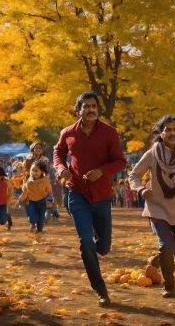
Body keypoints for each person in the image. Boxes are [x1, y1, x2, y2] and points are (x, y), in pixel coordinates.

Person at [54, 91, 127, 306]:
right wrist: (61, 169)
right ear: (79, 110)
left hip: (102, 196)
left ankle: (91, 253)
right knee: (85, 240)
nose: (91, 109)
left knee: (103, 247)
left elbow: (120, 161)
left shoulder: (109, 133)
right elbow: (58, 153)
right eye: (86, 106)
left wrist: (102, 171)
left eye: (94, 105)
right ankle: (100, 288)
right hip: (77, 193)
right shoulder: (68, 133)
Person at [128, 115, 175, 298]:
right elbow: (134, 176)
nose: (172, 133)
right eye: (168, 130)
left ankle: (169, 253)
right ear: (161, 133)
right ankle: (168, 285)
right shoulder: (152, 154)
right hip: (157, 207)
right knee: (166, 245)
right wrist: (139, 190)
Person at [18, 161, 52, 233]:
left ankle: (38, 233)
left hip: (42, 202)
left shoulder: (45, 181)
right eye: (32, 170)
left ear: (42, 171)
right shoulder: (29, 182)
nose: (34, 172)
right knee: (33, 219)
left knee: (40, 223)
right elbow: (25, 192)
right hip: (31, 202)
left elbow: (49, 191)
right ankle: (32, 223)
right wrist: (21, 200)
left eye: (36, 171)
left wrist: (49, 200)